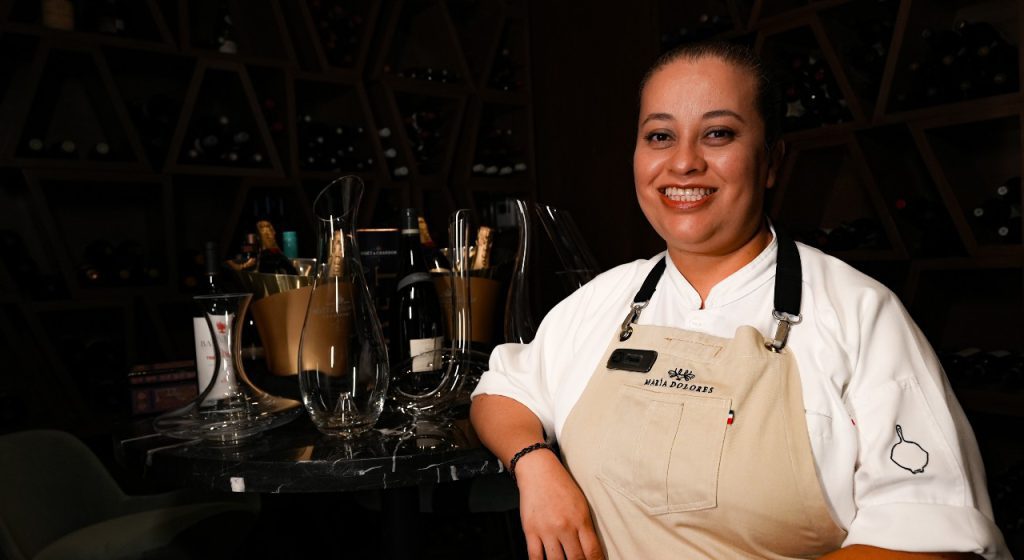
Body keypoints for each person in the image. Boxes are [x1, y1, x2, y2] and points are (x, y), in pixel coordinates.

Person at [469, 41, 1010, 560]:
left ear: (771, 160)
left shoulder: (861, 315)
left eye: (718, 134)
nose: (683, 163)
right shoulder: (605, 300)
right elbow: (501, 392)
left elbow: (933, 540)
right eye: (660, 136)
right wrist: (534, 464)